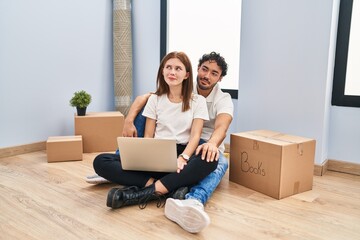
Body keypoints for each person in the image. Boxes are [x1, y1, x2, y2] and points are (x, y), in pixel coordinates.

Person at [121, 52, 233, 233]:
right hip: (176, 141)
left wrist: (212, 144)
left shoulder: (223, 99)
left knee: (221, 161)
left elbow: (222, 126)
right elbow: (146, 97)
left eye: (214, 73)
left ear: (220, 78)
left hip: (203, 142)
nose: (207, 75)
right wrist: (128, 120)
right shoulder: (183, 83)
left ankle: (192, 200)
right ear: (196, 69)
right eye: (205, 69)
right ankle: (125, 159)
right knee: (145, 113)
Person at [92, 51, 218, 212]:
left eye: (178, 69)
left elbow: (195, 136)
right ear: (162, 71)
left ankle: (141, 194)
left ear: (187, 75)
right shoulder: (155, 99)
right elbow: (148, 136)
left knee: (210, 160)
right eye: (168, 67)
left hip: (181, 156)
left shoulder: (197, 101)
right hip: (157, 153)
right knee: (101, 161)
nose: (172, 72)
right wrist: (146, 159)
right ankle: (168, 187)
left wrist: (183, 157)